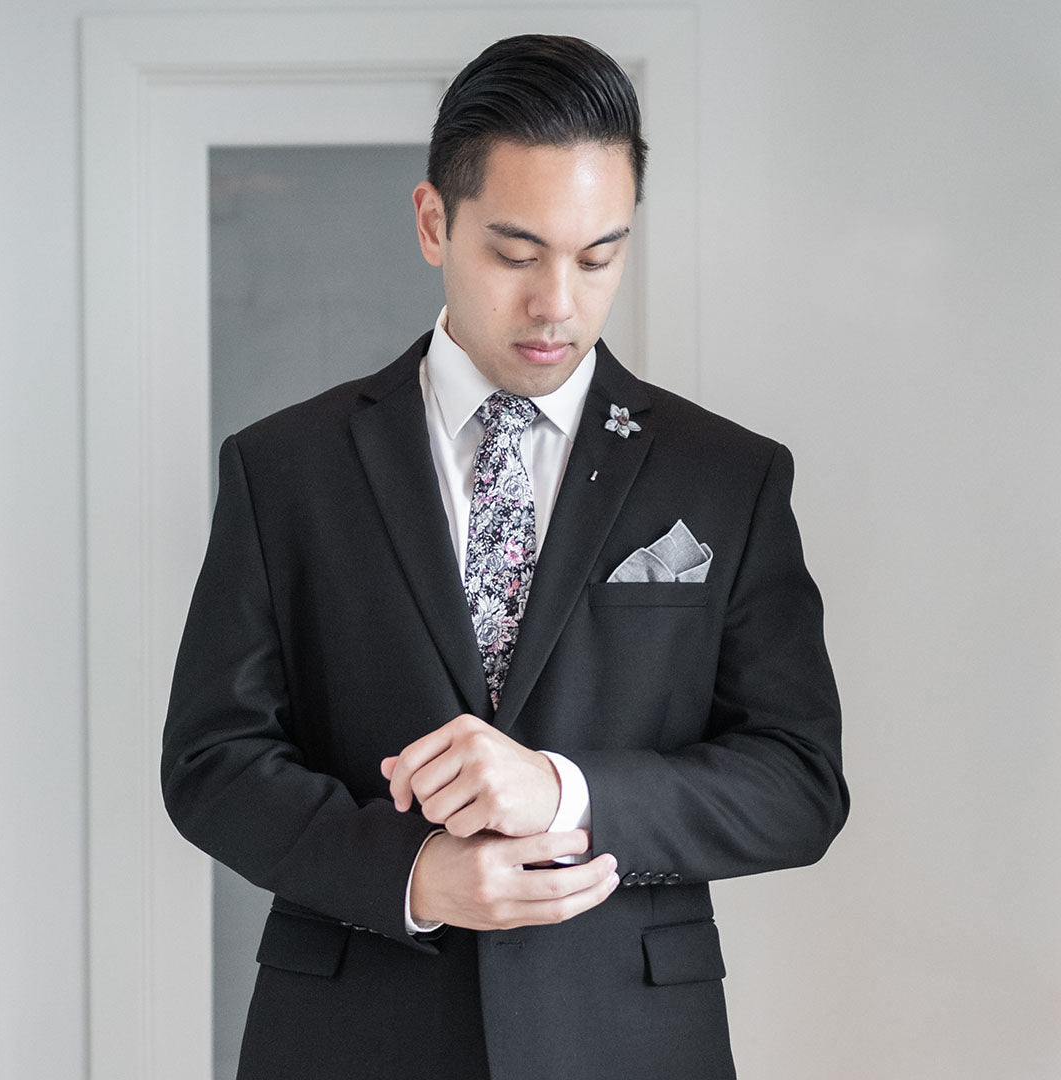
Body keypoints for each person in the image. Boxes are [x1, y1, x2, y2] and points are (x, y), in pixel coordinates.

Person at [162, 33, 849, 1080]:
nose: (557, 304)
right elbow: (213, 762)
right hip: (348, 1037)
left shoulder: (727, 477)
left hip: (629, 1042)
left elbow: (798, 783)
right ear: (434, 222)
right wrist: (411, 876)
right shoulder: (284, 467)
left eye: (598, 257)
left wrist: (566, 794)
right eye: (518, 255)